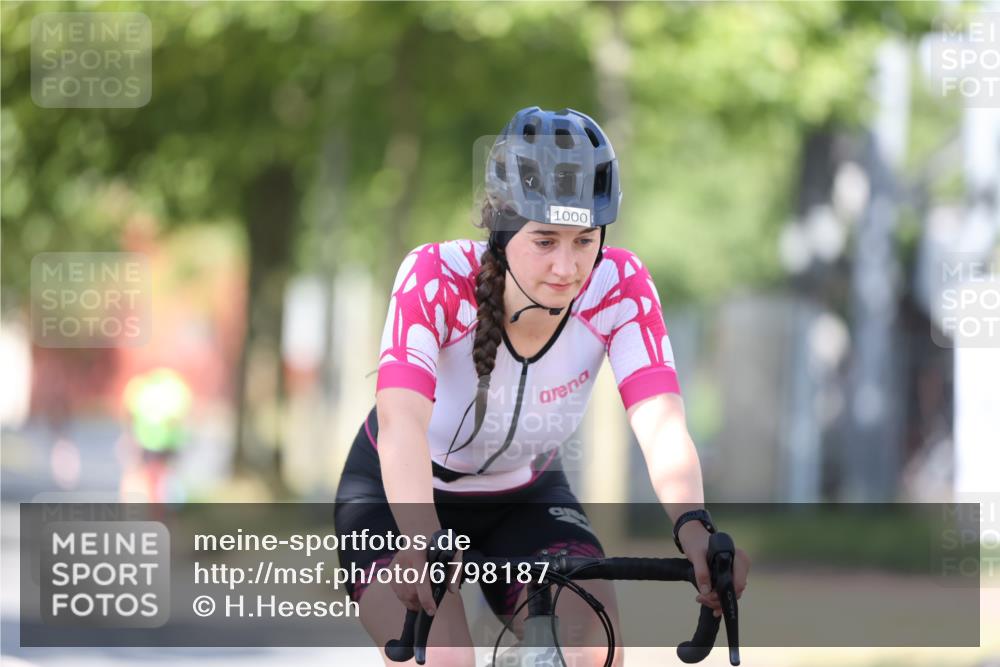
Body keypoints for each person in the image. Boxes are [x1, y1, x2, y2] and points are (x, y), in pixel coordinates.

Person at [334, 106, 750, 666]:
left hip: (524, 499)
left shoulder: (620, 287)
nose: (566, 266)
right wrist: (417, 534)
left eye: (584, 240)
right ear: (503, 229)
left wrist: (694, 528)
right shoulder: (434, 277)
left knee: (592, 648)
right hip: (398, 498)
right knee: (447, 658)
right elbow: (402, 420)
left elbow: (661, 422)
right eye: (546, 240)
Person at [119, 367, 192, 504]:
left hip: (149, 440)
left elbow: (130, 414)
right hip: (164, 441)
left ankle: (156, 504)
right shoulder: (175, 389)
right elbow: (179, 418)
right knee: (160, 475)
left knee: (151, 475)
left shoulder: (140, 388)